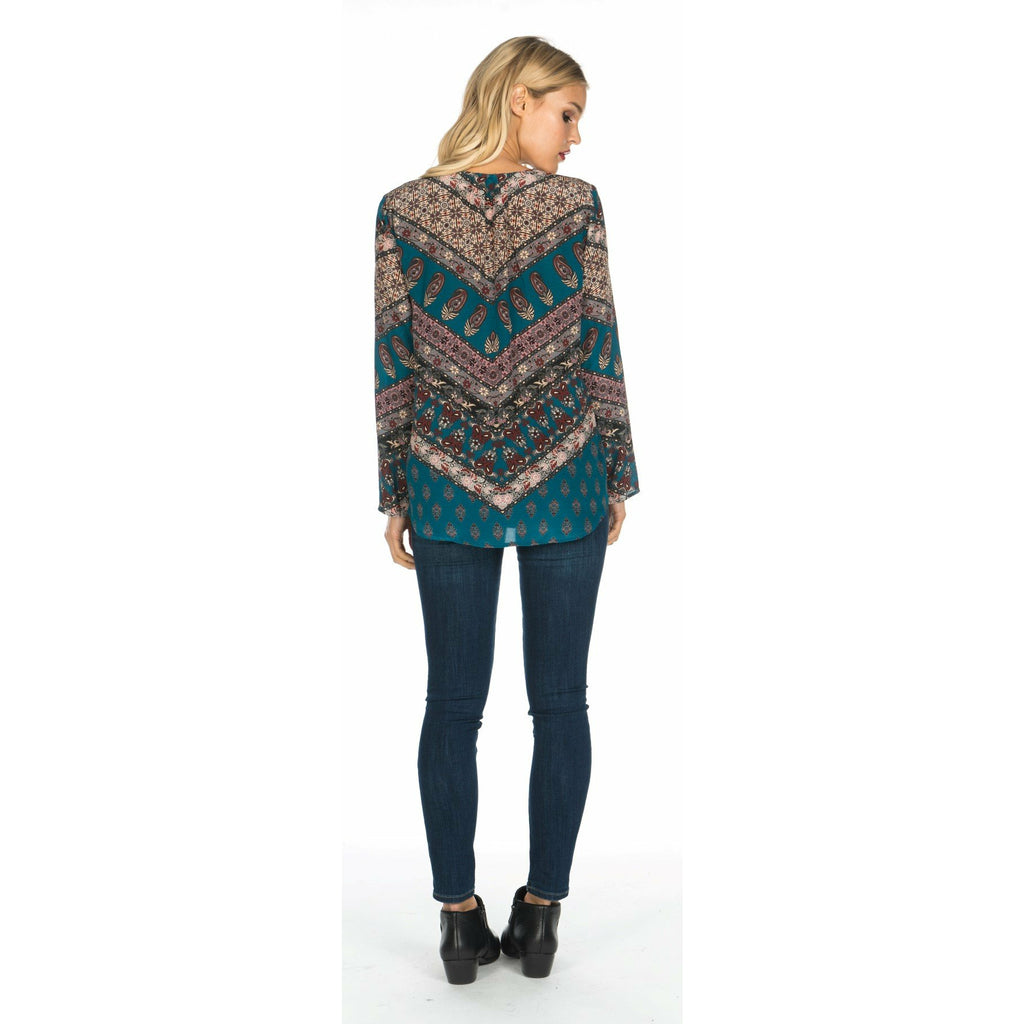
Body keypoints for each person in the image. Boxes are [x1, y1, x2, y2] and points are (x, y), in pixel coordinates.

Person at [372, 35, 639, 984]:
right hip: (566, 476)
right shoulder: (577, 207)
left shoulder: (403, 208)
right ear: (518, 98)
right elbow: (600, 339)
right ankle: (542, 914)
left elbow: (393, 358)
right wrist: (617, 471)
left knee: (452, 705)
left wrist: (395, 489)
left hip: (446, 480)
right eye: (567, 113)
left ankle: (458, 919)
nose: (575, 137)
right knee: (560, 703)